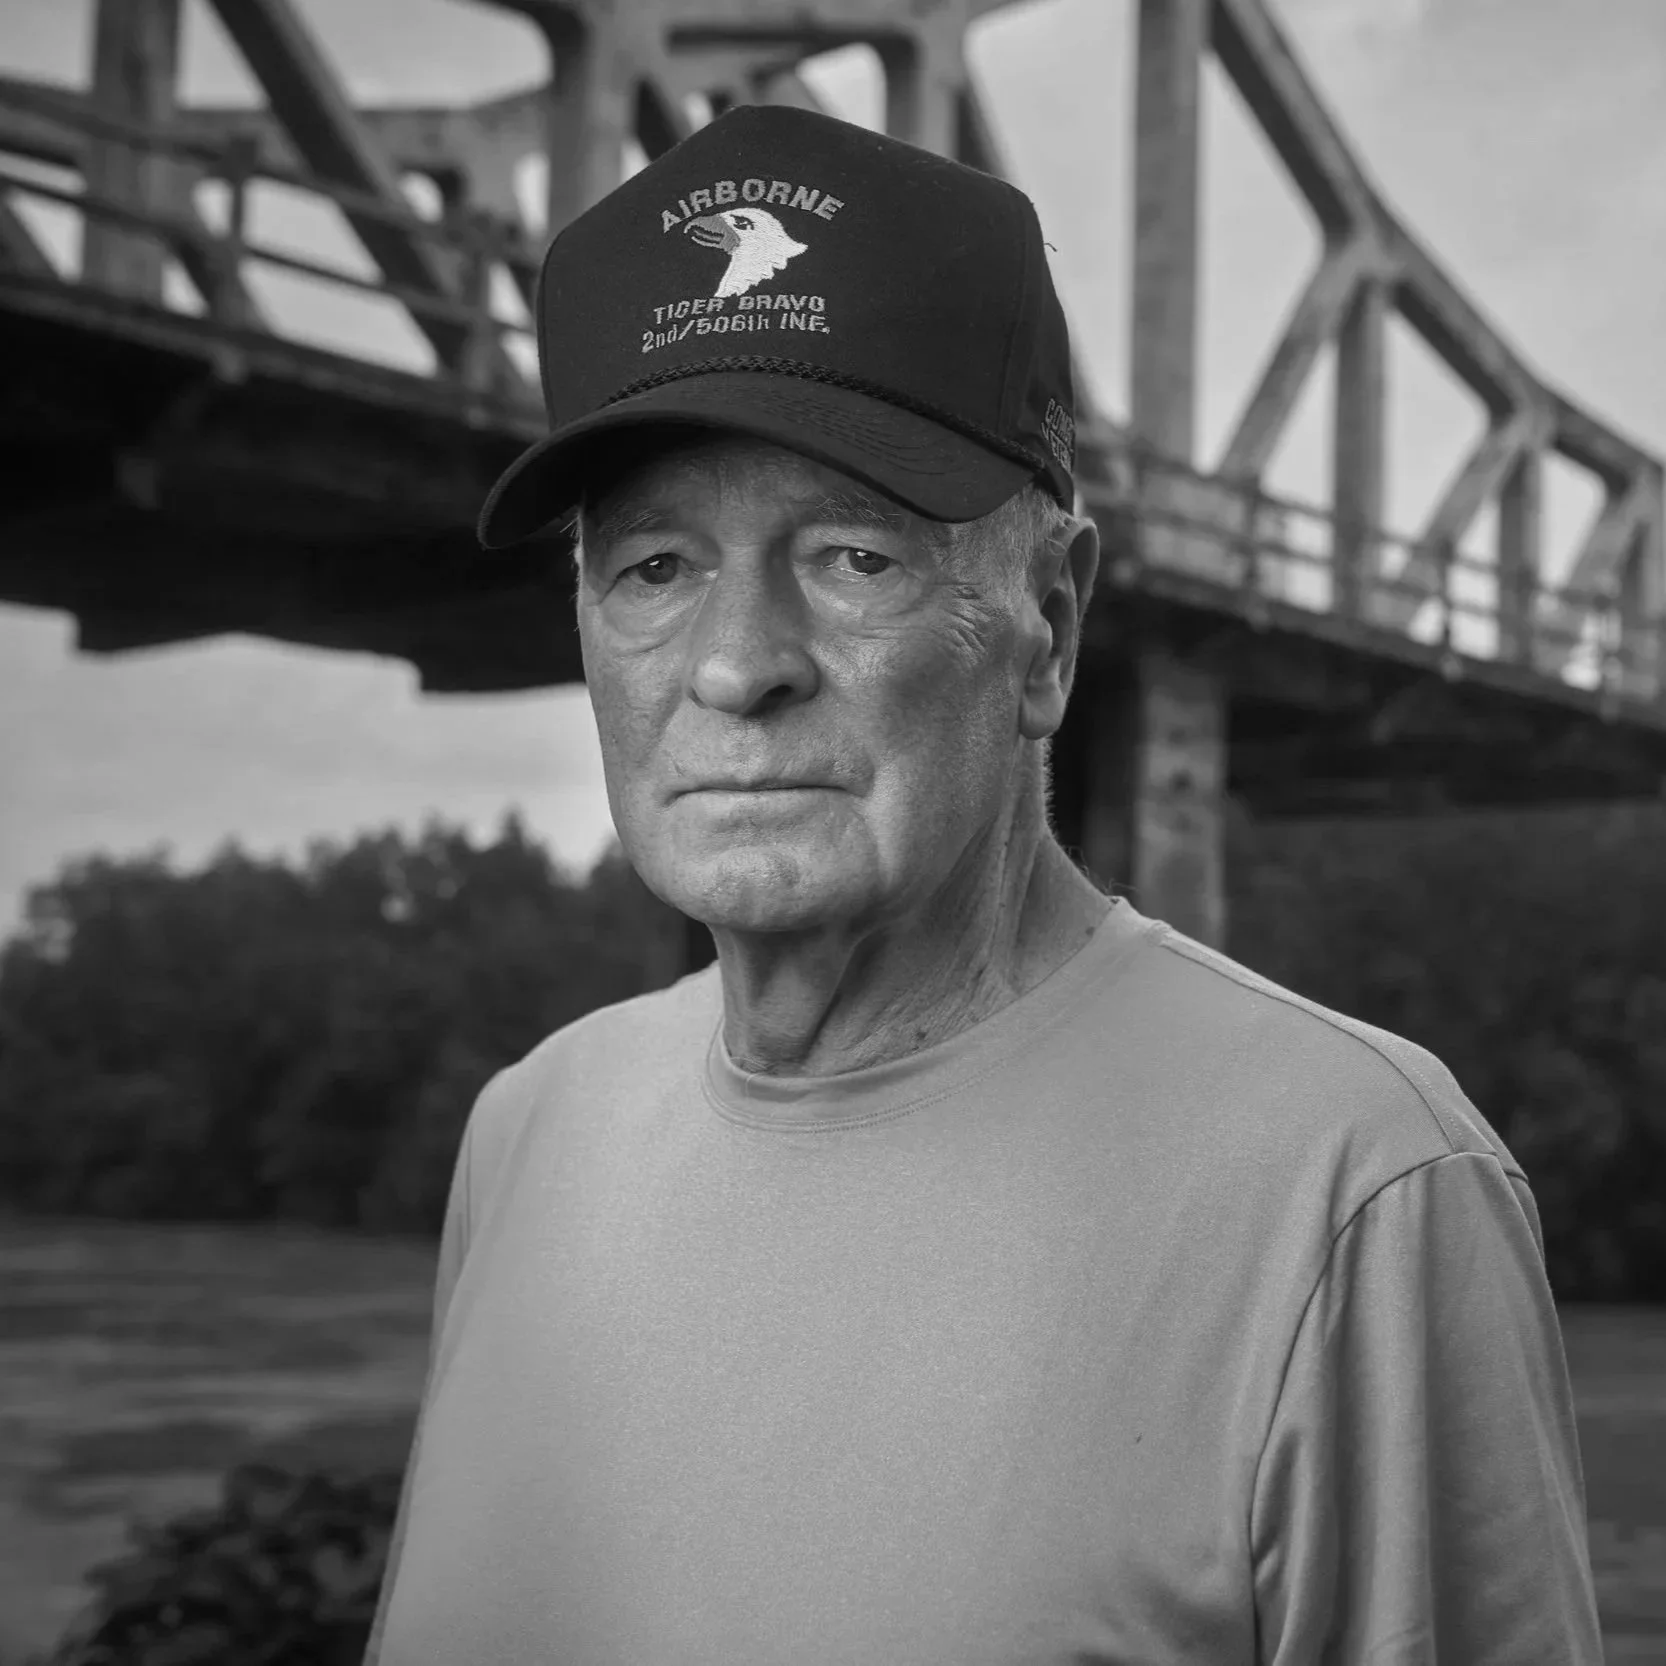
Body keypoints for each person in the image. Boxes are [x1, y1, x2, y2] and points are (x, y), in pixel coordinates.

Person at [363, 104, 1603, 1665]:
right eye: (654, 567)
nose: (737, 665)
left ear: (1048, 628)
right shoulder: (526, 1131)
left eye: (852, 555)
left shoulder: (1356, 1190)